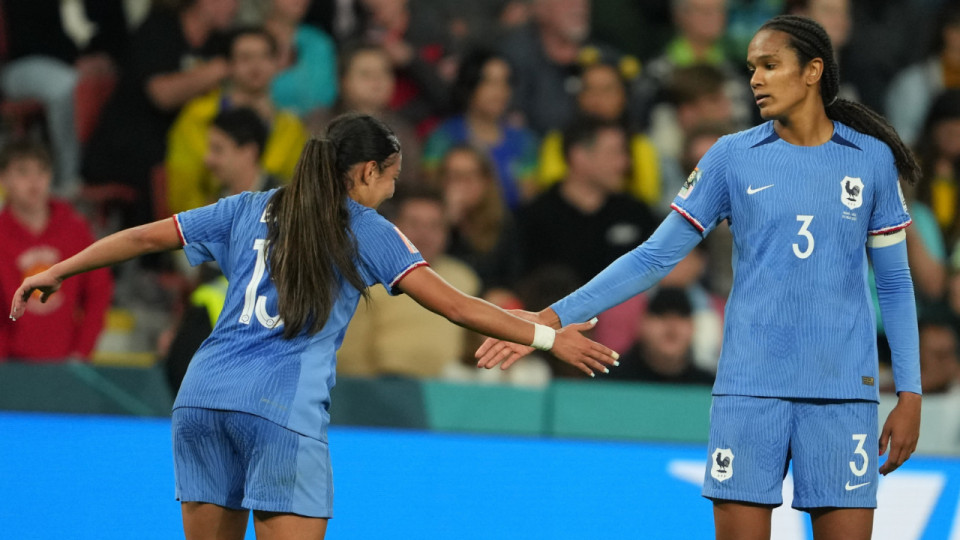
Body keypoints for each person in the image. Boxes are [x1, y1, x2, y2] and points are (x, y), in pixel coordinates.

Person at [9, 112, 617, 540]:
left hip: (201, 400)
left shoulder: (248, 205)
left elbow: (146, 235)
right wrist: (545, 336)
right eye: (392, 178)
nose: (393, 190)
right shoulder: (364, 227)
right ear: (366, 172)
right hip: (279, 409)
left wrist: (62, 268)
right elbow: (455, 305)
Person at [477, 15, 922, 540]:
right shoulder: (731, 157)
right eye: (752, 67)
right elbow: (652, 258)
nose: (755, 79)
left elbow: (894, 283)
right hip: (749, 391)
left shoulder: (871, 160)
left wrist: (910, 393)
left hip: (844, 392)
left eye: (770, 66)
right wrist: (550, 318)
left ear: (812, 71)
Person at [337, 187, 482, 378]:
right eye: (414, 223)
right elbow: (349, 356)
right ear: (392, 226)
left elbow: (473, 349)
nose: (424, 234)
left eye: (434, 225)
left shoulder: (464, 278)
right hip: (382, 387)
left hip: (449, 389)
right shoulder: (366, 276)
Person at [165, 27, 308, 215]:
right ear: (229, 65)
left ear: (276, 64)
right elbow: (181, 193)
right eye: (245, 58)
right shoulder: (197, 117)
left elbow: (301, 193)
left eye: (265, 57)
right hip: (209, 230)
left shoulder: (293, 129)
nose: (256, 66)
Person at [0, 139, 113, 361]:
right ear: (4, 179)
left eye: (41, 171)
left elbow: (98, 291)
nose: (34, 182)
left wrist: (81, 351)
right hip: (10, 366)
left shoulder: (75, 229)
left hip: (66, 363)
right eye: (23, 173)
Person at [421, 49, 540, 209]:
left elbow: (529, 200)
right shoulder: (443, 138)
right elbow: (431, 194)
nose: (500, 92)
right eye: (490, 82)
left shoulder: (523, 141)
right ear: (470, 85)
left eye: (505, 82)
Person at [606, 287, 715, 385]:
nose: (672, 326)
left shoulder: (709, 388)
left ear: (693, 327)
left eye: (681, 316)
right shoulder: (607, 383)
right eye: (661, 315)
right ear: (642, 323)